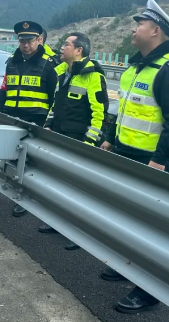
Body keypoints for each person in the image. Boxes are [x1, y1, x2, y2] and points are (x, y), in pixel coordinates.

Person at [100, 0, 169, 314]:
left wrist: (160, 160)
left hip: (150, 160)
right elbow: (123, 110)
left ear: (155, 31)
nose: (133, 29)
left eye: (139, 24)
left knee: (152, 226)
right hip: (125, 154)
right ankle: (129, 267)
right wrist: (110, 138)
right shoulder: (135, 68)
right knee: (129, 218)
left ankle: (149, 290)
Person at [40, 32, 109, 249]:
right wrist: (48, 125)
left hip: (78, 141)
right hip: (60, 137)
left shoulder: (93, 76)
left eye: (66, 44)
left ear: (79, 50)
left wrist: (89, 144)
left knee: (79, 189)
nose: (62, 47)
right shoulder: (63, 72)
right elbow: (55, 104)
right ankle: (58, 223)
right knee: (60, 182)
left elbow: (100, 114)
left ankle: (79, 233)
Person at [0, 21, 59, 216]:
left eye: (30, 41)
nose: (25, 45)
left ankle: (24, 198)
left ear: (39, 40)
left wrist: (49, 123)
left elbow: (54, 97)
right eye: (22, 41)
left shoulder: (49, 64)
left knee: (29, 163)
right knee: (3, 156)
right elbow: (4, 89)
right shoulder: (12, 62)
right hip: (11, 117)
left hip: (35, 121)